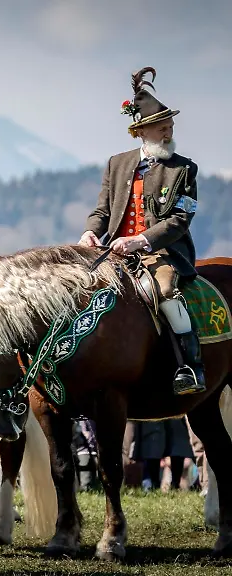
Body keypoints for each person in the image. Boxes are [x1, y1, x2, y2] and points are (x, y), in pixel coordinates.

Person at [80, 66, 204, 395]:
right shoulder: (116, 164)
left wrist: (141, 239)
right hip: (112, 252)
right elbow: (102, 211)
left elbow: (180, 220)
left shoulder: (185, 169)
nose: (169, 133)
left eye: (171, 126)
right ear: (143, 131)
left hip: (161, 253)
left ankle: (190, 365)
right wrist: (90, 232)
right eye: (163, 128)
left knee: (164, 291)